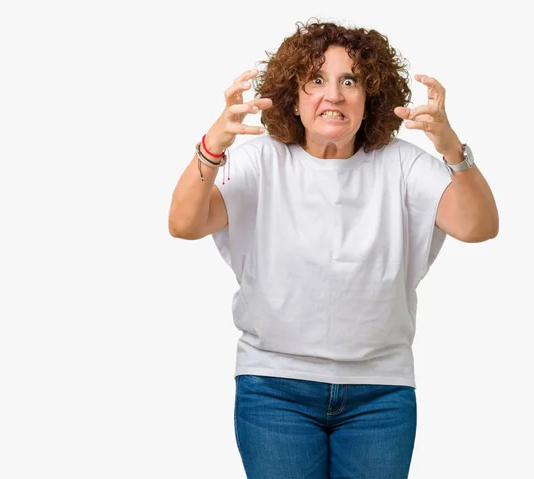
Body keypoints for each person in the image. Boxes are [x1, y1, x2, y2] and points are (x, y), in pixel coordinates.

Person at [168, 18, 498, 479]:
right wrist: (212, 147)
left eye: (350, 81)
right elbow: (184, 224)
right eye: (316, 80)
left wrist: (450, 148)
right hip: (274, 389)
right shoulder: (261, 161)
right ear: (294, 96)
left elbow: (478, 227)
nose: (334, 95)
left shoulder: (403, 166)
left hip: (379, 395)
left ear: (371, 96)